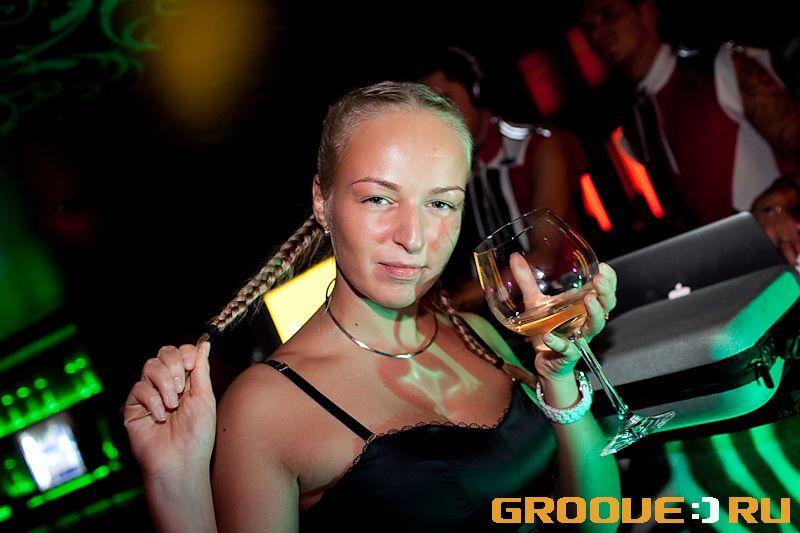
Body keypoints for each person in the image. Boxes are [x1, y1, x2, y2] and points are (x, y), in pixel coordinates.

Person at [123, 81, 621, 532]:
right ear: (322, 201)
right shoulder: (265, 408)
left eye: (440, 203)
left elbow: (595, 523)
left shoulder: (479, 335)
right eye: (379, 199)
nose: (414, 238)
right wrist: (175, 485)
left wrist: (558, 379)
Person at [577, 0, 800, 265]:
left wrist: (780, 198)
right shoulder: (634, 121)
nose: (598, 33)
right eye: (589, 28)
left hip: (790, 251)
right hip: (737, 267)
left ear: (646, 12)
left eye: (608, 15)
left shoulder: (718, 68)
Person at [417, 46, 589, 314]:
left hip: (562, 304)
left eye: (446, 100)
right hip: (495, 317)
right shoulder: (443, 171)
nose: (439, 118)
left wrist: (464, 298)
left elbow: (545, 256)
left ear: (477, 92)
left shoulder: (539, 147)